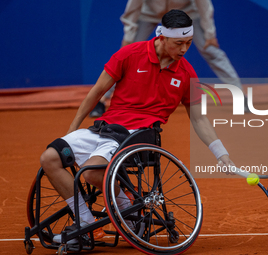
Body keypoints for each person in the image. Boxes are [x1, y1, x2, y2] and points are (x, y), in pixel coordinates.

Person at [40, 9, 234, 244]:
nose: (184, 49)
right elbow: (96, 93)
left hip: (140, 135)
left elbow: (199, 118)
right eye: (179, 43)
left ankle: (126, 207)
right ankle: (89, 224)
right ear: (161, 37)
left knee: (91, 172)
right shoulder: (129, 54)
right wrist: (71, 130)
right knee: (50, 157)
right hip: (105, 129)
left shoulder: (186, 73)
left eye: (189, 43)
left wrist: (220, 153)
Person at [89, 0, 248, 117]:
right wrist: (129, 37)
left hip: (186, 14)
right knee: (127, 54)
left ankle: (240, 96)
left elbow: (204, 6)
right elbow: (132, 10)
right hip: (148, 14)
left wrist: (210, 34)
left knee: (211, 51)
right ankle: (102, 100)